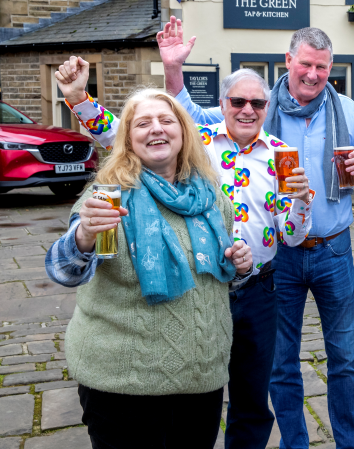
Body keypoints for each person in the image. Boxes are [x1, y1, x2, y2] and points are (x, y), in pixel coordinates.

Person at [115, 19, 354, 449]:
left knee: (343, 359)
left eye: (323, 68)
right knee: (274, 366)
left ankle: (349, 444)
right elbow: (168, 120)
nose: (314, 75)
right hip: (261, 265)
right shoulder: (231, 124)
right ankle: (294, 443)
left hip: (331, 250)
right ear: (288, 62)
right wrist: (170, 70)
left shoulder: (343, 112)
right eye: (306, 65)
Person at [54, 43, 314, 449]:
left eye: (258, 103)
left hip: (256, 285)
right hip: (189, 292)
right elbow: (121, 131)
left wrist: (301, 202)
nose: (248, 109)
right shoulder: (194, 140)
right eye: (238, 101)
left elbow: (294, 235)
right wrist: (77, 98)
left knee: (250, 396)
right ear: (222, 105)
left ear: (268, 106)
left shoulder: (282, 156)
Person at [44, 89, 253, 448]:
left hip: (201, 377)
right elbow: (63, 271)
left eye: (166, 120)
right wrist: (83, 236)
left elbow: (219, 279)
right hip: (123, 383)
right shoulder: (107, 196)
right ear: (128, 137)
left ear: (183, 132)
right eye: (143, 123)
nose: (156, 129)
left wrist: (240, 267)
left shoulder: (210, 197)